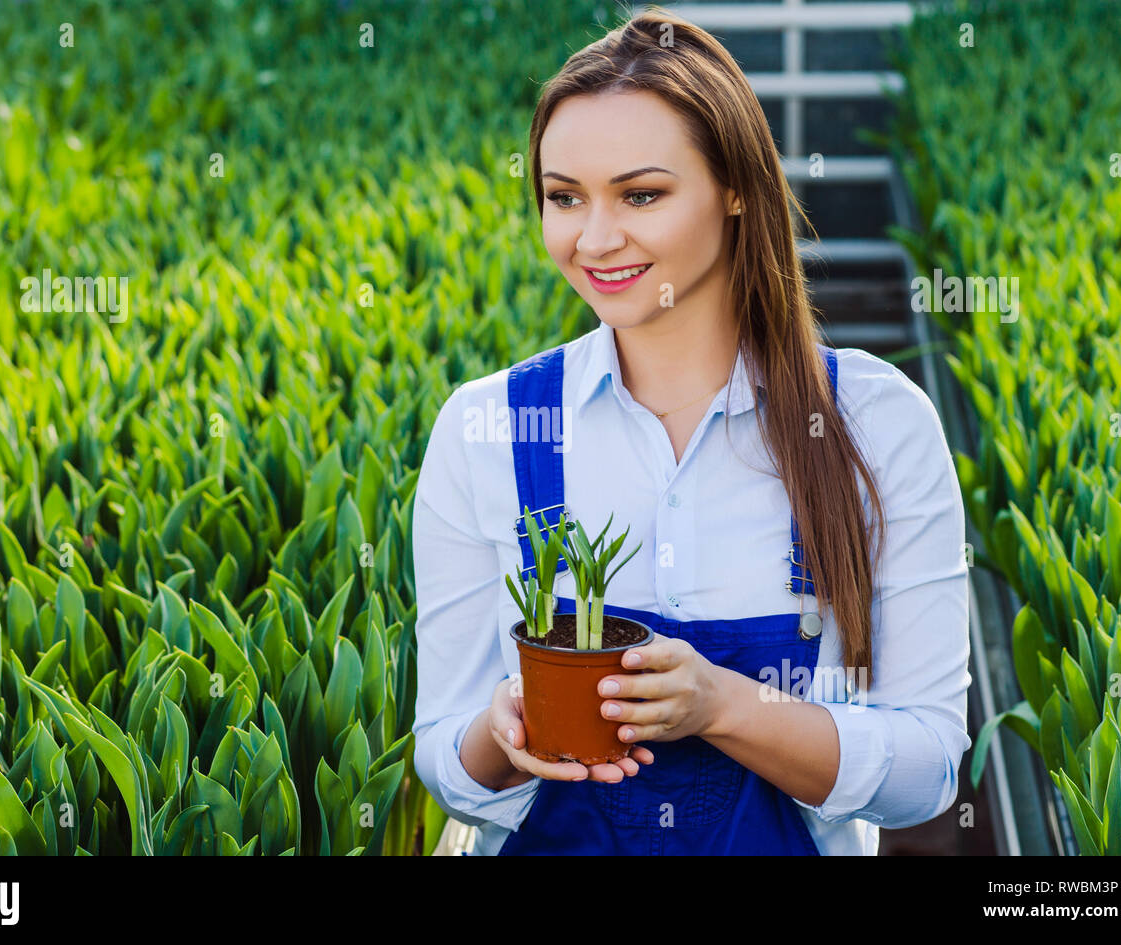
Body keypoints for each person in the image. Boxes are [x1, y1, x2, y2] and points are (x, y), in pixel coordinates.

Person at [411, 8, 971, 855]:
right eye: (563, 197)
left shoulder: (876, 426)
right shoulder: (487, 429)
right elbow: (443, 757)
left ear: (736, 187)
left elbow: (928, 767)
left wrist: (724, 706)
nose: (594, 239)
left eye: (642, 194)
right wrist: (502, 739)